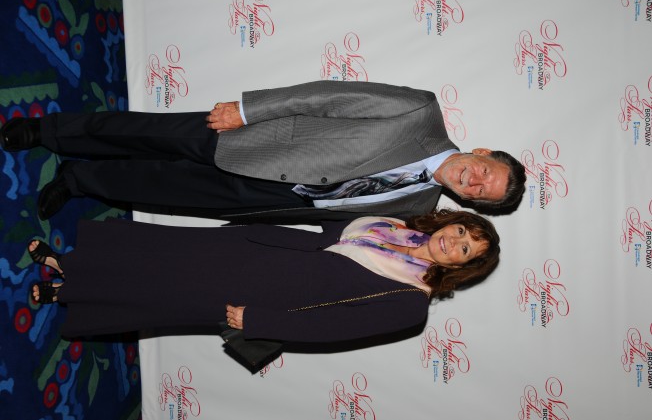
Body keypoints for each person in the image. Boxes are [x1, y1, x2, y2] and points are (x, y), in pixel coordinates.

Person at [0, 81, 526, 223]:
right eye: (486, 171)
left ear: (470, 202)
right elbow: (330, 95)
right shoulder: (421, 113)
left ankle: (77, 181)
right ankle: (47, 131)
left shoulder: (419, 207)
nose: (475, 182)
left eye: (481, 193)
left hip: (271, 199)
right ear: (481, 151)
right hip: (260, 139)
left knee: (158, 186)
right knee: (143, 133)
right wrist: (249, 110)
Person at [28, 209, 499, 343]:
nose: (453, 242)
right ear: (452, 222)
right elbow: (325, 231)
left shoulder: (412, 302)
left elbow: (336, 326)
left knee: (162, 291)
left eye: (465, 249)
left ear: (462, 268)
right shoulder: (397, 224)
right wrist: (257, 230)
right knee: (161, 250)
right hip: (256, 249)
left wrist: (260, 322)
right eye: (461, 231)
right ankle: (71, 264)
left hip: (261, 291)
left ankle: (70, 292)